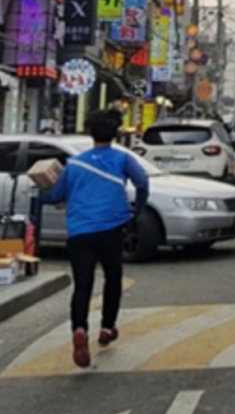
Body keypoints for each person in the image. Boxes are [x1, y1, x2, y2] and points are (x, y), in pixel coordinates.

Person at [36, 109, 151, 368]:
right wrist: (138, 209)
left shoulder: (74, 164)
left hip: (79, 231)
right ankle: (107, 327)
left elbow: (55, 196)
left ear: (91, 133)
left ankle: (79, 329)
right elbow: (142, 182)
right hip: (112, 229)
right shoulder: (122, 159)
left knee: (83, 284)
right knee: (113, 278)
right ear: (116, 133)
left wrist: (40, 193)